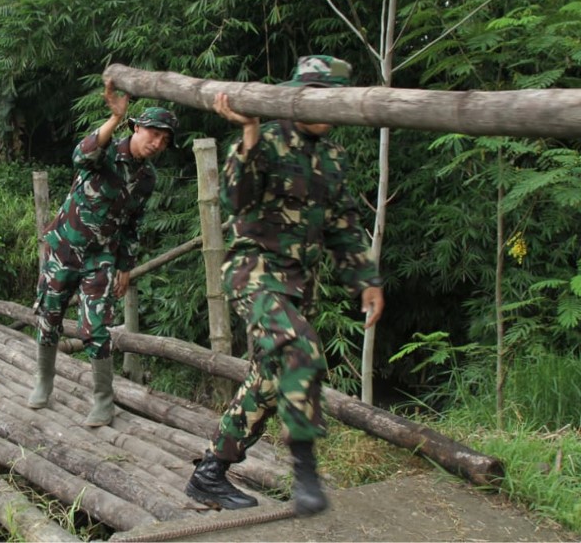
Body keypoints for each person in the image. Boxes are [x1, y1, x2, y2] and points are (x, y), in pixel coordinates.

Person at [184, 55, 385, 515]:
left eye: (326, 97)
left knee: (271, 382)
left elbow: (343, 225)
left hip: (298, 286)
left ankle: (209, 474)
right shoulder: (269, 138)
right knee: (300, 352)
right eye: (307, 94)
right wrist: (249, 135)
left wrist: (366, 281)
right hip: (254, 274)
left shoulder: (334, 157)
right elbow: (235, 199)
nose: (316, 106)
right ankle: (306, 474)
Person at [27, 78, 178, 427]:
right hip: (63, 247)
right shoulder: (107, 152)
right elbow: (81, 154)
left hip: (101, 258)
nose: (156, 143)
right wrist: (113, 118)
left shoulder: (147, 178)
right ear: (136, 127)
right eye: (153, 133)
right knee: (49, 318)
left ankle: (103, 400)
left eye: (164, 140)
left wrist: (125, 265)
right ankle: (44, 381)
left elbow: (133, 223)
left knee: (95, 328)